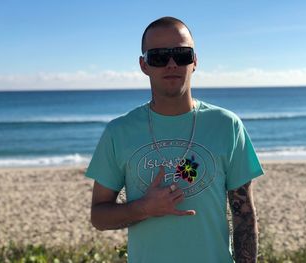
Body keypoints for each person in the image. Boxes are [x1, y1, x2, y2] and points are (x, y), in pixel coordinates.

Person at [86, 16, 264, 263]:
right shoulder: (119, 131)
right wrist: (144, 208)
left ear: (194, 62)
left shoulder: (227, 125)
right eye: (159, 57)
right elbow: (99, 216)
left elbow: (244, 214)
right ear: (144, 65)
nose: (171, 64)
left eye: (181, 54)